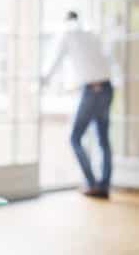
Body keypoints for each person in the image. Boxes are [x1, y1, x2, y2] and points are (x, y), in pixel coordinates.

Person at [42, 11, 114, 199]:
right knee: (103, 140)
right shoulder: (92, 34)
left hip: (91, 90)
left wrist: (43, 80)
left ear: (66, 21)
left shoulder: (68, 35)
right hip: (107, 87)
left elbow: (55, 60)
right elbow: (106, 59)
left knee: (75, 138)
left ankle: (92, 183)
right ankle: (103, 186)